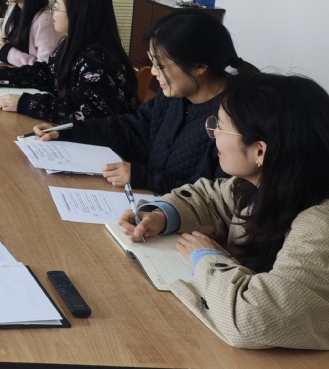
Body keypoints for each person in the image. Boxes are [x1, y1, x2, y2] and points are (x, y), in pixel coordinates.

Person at [119, 73, 329, 350]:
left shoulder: (320, 224)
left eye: (220, 126)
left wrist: (208, 258)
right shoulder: (265, 185)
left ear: (259, 151)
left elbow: (254, 318)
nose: (213, 134)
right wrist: (162, 215)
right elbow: (211, 198)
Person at [34, 9, 258, 193]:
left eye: (160, 65)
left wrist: (144, 177)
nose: (153, 72)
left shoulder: (233, 120)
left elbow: (217, 197)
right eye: (152, 62)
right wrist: (69, 131)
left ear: (199, 66)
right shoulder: (174, 96)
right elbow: (132, 128)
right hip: (149, 206)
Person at [0, 0, 139, 123]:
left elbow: (83, 111)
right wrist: (2, 76)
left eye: (57, 6)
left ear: (77, 14)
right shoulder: (72, 43)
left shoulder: (98, 59)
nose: (52, 11)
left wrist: (24, 103)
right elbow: (47, 74)